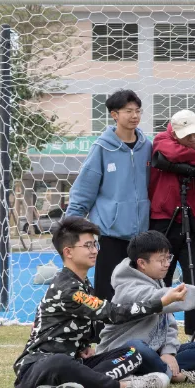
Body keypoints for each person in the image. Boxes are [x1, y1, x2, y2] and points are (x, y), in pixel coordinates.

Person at [12, 217, 183, 388]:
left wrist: (82, 346)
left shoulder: (83, 284)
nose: (94, 250)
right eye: (87, 246)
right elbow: (112, 313)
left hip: (74, 364)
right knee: (60, 362)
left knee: (133, 353)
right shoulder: (68, 289)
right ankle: (124, 387)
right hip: (37, 368)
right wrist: (160, 302)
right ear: (68, 252)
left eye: (95, 245)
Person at [98, 230, 195, 384]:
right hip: (120, 356)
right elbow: (175, 297)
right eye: (162, 260)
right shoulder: (129, 289)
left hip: (153, 354)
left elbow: (168, 324)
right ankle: (177, 376)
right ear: (142, 263)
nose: (167, 264)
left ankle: (158, 372)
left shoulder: (155, 280)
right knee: (135, 347)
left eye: (168, 258)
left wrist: (169, 352)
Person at [65, 89, 151, 301]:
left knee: (138, 294)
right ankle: (103, 325)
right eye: (128, 111)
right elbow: (83, 190)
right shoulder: (102, 148)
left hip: (141, 236)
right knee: (107, 292)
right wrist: (69, 229)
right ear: (114, 115)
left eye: (138, 111)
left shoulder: (147, 147)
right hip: (110, 234)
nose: (134, 116)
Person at [149, 109, 195, 337]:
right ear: (175, 133)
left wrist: (186, 158)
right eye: (188, 136)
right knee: (161, 278)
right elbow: (170, 151)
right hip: (164, 220)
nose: (194, 139)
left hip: (193, 221)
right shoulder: (162, 139)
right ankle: (157, 333)